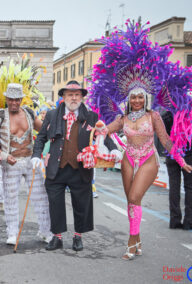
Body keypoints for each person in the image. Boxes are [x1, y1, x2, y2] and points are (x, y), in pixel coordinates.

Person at [88, 20, 192, 260]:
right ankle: (138, 240)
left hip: (147, 160)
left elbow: (165, 140)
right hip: (127, 159)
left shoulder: (154, 115)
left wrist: (180, 159)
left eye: (139, 97)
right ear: (129, 98)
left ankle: (131, 244)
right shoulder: (123, 117)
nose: (136, 100)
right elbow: (105, 129)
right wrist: (96, 129)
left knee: (135, 197)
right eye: (132, 97)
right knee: (130, 202)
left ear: (145, 98)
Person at [32, 81, 119, 252]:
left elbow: (103, 135)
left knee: (82, 204)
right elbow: (41, 137)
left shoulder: (91, 116)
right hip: (56, 167)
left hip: (81, 168)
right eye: (70, 94)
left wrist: (114, 149)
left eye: (77, 94)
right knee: (55, 203)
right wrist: (36, 156)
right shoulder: (51, 114)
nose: (74, 97)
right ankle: (56, 237)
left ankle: (78, 236)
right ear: (63, 97)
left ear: (81, 97)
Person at [0, 83, 52, 245]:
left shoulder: (30, 114)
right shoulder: (0, 116)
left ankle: (45, 231)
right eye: (11, 100)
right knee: (10, 199)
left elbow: (44, 131)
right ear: (7, 99)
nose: (14, 103)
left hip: (31, 160)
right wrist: (4, 155)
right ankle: (12, 233)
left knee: (41, 197)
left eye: (17, 100)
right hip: (11, 162)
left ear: (22, 99)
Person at [162, 111, 192, 230]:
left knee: (174, 187)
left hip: (171, 153)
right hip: (188, 153)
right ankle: (188, 221)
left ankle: (174, 220)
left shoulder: (166, 115)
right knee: (189, 187)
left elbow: (163, 137)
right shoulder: (188, 113)